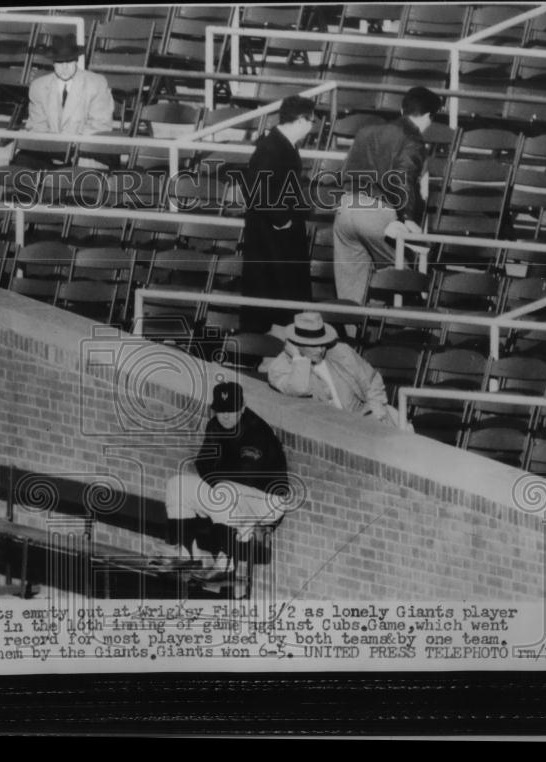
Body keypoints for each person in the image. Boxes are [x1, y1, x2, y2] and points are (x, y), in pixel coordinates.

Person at [156, 382, 290, 592]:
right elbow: (203, 463)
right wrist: (217, 476)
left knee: (224, 490)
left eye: (231, 410)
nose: (226, 415)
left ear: (242, 407)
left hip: (267, 501)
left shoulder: (256, 430)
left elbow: (247, 477)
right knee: (177, 484)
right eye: (221, 410)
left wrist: (217, 475)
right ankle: (187, 553)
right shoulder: (214, 426)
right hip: (230, 493)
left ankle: (225, 564)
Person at [332, 86, 442, 304]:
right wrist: (408, 219)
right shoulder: (414, 140)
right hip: (377, 212)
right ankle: (400, 330)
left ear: (402, 110)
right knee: (404, 277)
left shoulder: (366, 132)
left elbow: (344, 172)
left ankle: (351, 334)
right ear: (429, 116)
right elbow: (403, 179)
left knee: (350, 289)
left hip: (346, 208)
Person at [239, 95, 317, 334]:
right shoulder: (272, 147)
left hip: (277, 231)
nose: (313, 126)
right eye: (312, 120)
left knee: (282, 290)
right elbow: (254, 187)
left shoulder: (281, 143)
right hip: (270, 233)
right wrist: (282, 219)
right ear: (302, 120)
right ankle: (267, 346)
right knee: (274, 290)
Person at [267, 312, 401, 427]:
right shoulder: (280, 366)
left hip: (363, 420)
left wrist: (376, 414)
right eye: (313, 345)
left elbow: (372, 382)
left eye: (322, 343)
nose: (320, 350)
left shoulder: (340, 352)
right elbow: (298, 388)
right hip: (326, 431)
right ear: (297, 344)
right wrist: (297, 358)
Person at [14, 34, 114, 170]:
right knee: (21, 164)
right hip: (50, 149)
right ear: (53, 62)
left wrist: (69, 146)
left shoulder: (96, 83)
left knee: (84, 171)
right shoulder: (38, 86)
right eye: (60, 62)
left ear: (76, 60)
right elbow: (37, 125)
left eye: (69, 62)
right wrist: (53, 146)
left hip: (83, 148)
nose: (65, 67)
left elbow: (100, 125)